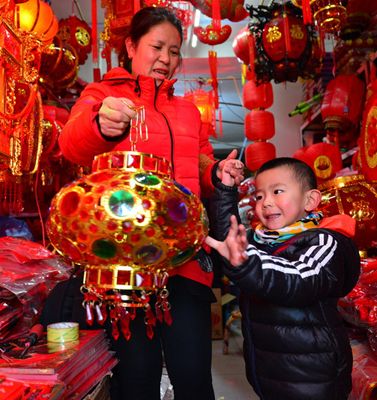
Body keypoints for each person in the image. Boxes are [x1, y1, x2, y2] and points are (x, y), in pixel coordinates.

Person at [51, 6, 244, 400]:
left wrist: (217, 173)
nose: (166, 60)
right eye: (157, 47)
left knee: (193, 377)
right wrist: (100, 125)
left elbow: (200, 163)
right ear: (131, 46)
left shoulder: (188, 110)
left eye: (174, 51)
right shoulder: (103, 94)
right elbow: (71, 144)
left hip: (185, 260)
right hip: (125, 267)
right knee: (136, 379)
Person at [205, 157, 361, 400]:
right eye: (259, 196)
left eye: (277, 191)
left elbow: (299, 279)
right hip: (267, 370)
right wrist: (226, 190)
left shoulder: (324, 240)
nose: (266, 202)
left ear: (310, 200)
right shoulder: (260, 240)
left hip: (313, 375)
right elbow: (231, 240)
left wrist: (246, 264)